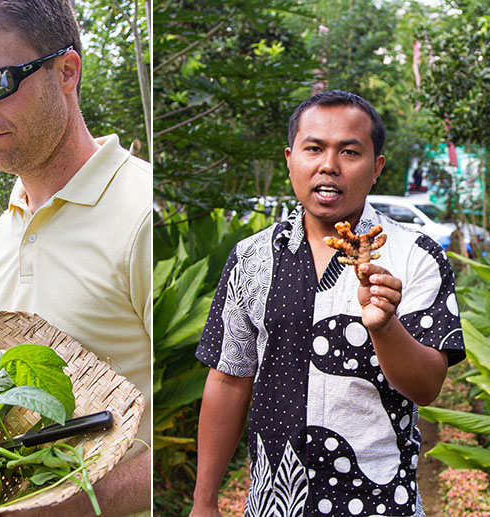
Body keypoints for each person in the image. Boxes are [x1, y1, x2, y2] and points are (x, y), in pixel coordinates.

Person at [191, 90, 465, 517]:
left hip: (379, 503)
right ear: (290, 158)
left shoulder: (414, 254)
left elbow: (427, 387)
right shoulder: (252, 257)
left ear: (376, 169)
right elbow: (229, 379)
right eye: (314, 148)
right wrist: (203, 502)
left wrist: (384, 326)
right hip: (273, 504)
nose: (328, 166)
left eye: (349, 152)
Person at [0, 1, 151, 515]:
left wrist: (53, 507)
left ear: (66, 72)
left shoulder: (143, 212)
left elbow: (186, 431)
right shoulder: (11, 220)